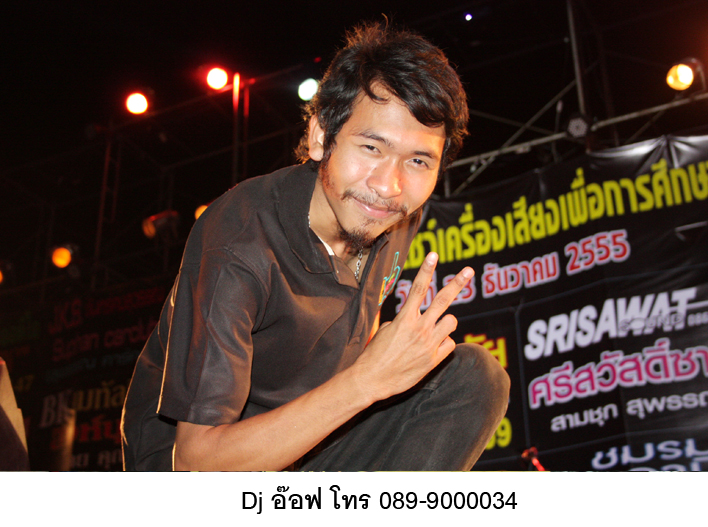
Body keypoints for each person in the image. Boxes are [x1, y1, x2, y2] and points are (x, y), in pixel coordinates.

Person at [120, 21, 510, 471]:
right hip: (199, 474)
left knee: (475, 377)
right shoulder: (241, 243)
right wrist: (366, 380)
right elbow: (197, 462)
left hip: (312, 445)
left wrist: (378, 359)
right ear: (321, 136)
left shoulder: (395, 212)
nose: (389, 185)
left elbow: (362, 314)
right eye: (371, 148)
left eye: (418, 160)